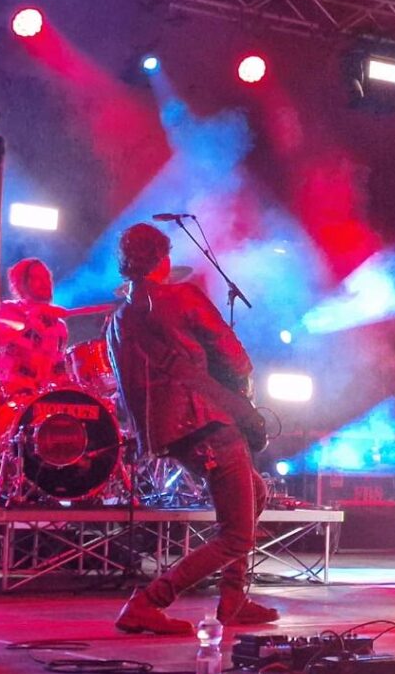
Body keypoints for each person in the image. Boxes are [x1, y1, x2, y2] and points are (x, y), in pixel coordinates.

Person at [108, 223, 277, 635]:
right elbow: (235, 358)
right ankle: (148, 602)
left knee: (254, 491)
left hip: (172, 435)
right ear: (163, 259)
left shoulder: (117, 322)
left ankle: (233, 598)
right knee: (237, 536)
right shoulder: (182, 296)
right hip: (210, 422)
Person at [0, 258, 68, 398]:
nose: (45, 282)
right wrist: (33, 317)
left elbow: (57, 366)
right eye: (37, 278)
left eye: (47, 277)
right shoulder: (7, 310)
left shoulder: (59, 326)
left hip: (38, 400)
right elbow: (1, 336)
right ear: (20, 284)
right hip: (5, 396)